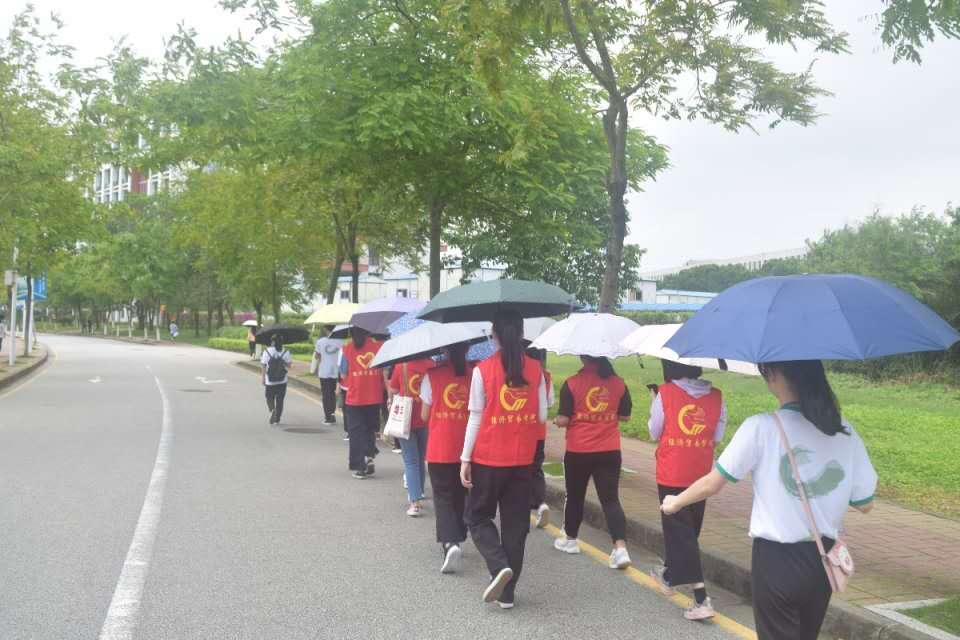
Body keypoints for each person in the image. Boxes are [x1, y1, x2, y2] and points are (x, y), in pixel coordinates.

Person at [661, 360, 877, 640]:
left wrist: (675, 502)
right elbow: (865, 503)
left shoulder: (761, 427)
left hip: (777, 560)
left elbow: (712, 483)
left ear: (774, 375)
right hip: (823, 559)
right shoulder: (843, 430)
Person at [460, 310, 548, 609]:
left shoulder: (482, 370)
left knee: (476, 516)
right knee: (515, 525)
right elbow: (542, 415)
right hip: (523, 460)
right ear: (522, 333)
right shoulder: (536, 370)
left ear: (493, 334)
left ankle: (499, 566)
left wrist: (465, 458)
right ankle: (507, 594)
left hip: (488, 458)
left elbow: (475, 417)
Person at [647, 359, 727, 621]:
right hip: (701, 475)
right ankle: (669, 576)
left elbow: (653, 431)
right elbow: (717, 436)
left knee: (681, 534)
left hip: (672, 472)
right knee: (688, 531)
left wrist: (654, 402)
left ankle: (702, 598)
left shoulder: (665, 393)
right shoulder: (717, 397)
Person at [552, 355, 633, 572]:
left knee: (575, 496)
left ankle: (570, 540)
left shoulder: (572, 383)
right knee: (610, 499)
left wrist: (557, 420)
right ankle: (620, 549)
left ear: (583, 356)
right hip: (609, 450)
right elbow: (625, 416)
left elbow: (564, 419)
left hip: (579, 450)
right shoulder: (619, 383)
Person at [421, 344, 473, 573]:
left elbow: (424, 415)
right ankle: (459, 533)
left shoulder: (432, 375)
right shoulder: (477, 374)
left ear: (444, 349)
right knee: (461, 494)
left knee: (443, 497)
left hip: (440, 446)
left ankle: (450, 542)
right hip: (468, 447)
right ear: (469, 348)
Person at [389, 357, 434, 517]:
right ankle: (419, 491)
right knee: (421, 458)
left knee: (410, 461)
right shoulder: (432, 365)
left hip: (405, 419)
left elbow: (393, 388)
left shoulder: (401, 365)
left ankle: (414, 502)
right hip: (425, 418)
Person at [340, 327, 386, 479]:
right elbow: (385, 370)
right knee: (369, 429)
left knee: (356, 432)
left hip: (355, 397)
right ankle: (369, 458)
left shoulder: (347, 349)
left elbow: (343, 373)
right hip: (374, 396)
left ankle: (360, 467)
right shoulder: (378, 347)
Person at [525, 347, 555, 528]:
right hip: (539, 432)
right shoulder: (546, 375)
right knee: (536, 468)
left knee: (520, 470)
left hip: (521, 430)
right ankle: (541, 503)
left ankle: (522, 504)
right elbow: (550, 402)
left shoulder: (520, 372)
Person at [314, 325, 344, 425]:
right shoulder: (341, 342)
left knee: (326, 394)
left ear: (326, 330)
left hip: (324, 372)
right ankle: (332, 414)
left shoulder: (320, 342)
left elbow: (317, 356)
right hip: (336, 371)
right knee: (333, 393)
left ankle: (328, 417)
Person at [260, 335, 292, 425]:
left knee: (269, 397)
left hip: (270, 381)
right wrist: (283, 361)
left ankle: (272, 409)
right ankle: (277, 419)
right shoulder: (286, 351)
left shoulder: (267, 351)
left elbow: (263, 365)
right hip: (282, 380)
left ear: (273, 342)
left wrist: (263, 378)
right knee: (280, 400)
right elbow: (289, 366)